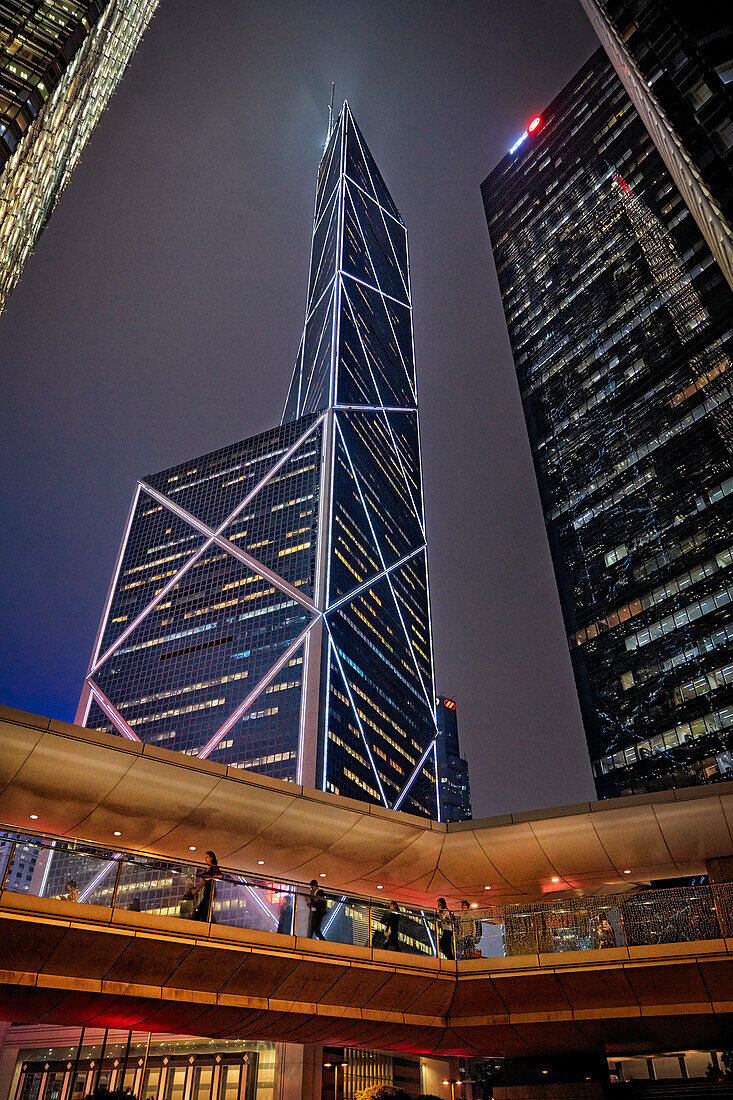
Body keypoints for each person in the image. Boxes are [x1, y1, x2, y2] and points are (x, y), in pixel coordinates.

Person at [193, 851, 220, 922]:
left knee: (204, 907)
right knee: (206, 907)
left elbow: (220, 875)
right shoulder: (208, 868)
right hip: (207, 889)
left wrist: (210, 877)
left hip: (211, 890)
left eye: (207, 857)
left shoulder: (214, 867)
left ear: (211, 858)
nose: (206, 859)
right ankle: (209, 921)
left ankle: (200, 920)